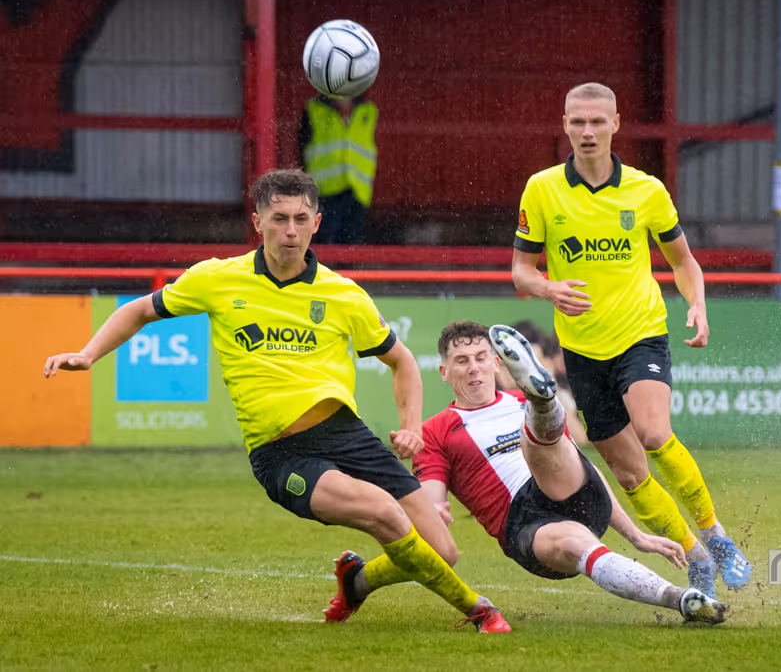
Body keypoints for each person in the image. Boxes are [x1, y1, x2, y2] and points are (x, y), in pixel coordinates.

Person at [42, 168, 509, 633]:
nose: (290, 230)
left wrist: (410, 426)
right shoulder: (218, 279)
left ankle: (357, 582)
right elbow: (140, 309)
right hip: (283, 453)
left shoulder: (343, 294)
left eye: (301, 219)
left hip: (347, 436)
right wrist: (87, 354)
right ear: (257, 221)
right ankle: (478, 610)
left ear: (317, 223)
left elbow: (402, 361)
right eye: (279, 218)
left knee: (442, 552)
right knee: (383, 512)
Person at [509, 82, 751, 594]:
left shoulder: (646, 190)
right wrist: (549, 288)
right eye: (578, 122)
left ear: (617, 124)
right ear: (565, 125)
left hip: (641, 334)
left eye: (598, 121)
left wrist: (698, 304)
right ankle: (695, 554)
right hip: (581, 350)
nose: (588, 131)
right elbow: (521, 272)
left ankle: (718, 535)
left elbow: (683, 261)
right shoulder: (543, 188)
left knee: (654, 433)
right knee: (628, 475)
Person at [326, 321, 727, 624]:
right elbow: (430, 495)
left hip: (574, 487)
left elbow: (584, 467)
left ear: (496, 363)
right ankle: (683, 600)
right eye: (461, 362)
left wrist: (636, 534)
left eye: (482, 359)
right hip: (524, 527)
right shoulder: (436, 430)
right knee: (576, 541)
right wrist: (436, 509)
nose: (474, 370)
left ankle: (544, 402)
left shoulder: (515, 400)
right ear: (444, 372)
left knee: (547, 445)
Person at [298, 93, 377, 244]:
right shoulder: (314, 109)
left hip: (357, 192)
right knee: (325, 247)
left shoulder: (368, 110)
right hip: (324, 193)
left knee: (352, 247)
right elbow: (301, 152)